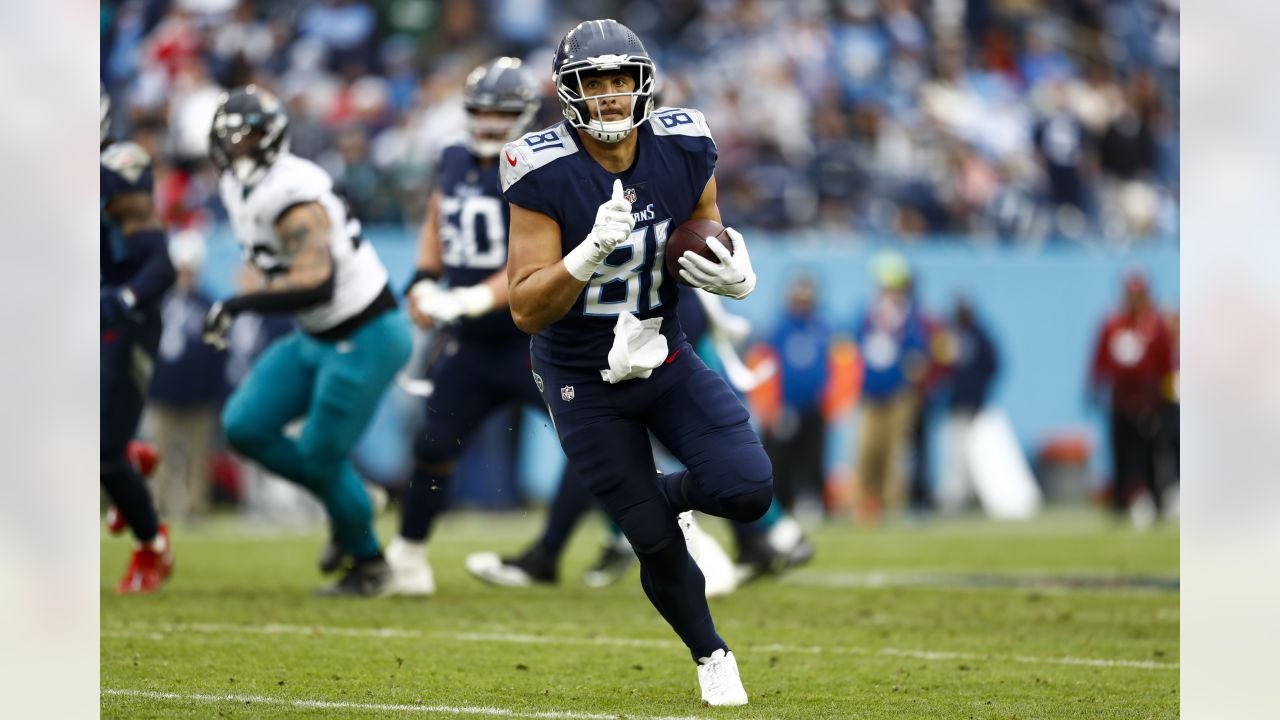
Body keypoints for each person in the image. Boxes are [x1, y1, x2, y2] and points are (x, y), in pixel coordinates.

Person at [501, 19, 768, 706]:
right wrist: (586, 254)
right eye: (595, 81)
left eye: (622, 79)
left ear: (643, 82)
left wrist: (732, 273)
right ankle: (711, 653)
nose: (612, 95)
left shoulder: (683, 144)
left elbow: (703, 229)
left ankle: (666, 497)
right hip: (580, 379)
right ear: (569, 91)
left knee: (747, 490)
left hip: (665, 353)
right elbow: (527, 310)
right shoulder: (541, 167)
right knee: (650, 537)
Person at [465, 283, 814, 594]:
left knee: (617, 443)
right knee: (620, 445)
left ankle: (584, 541)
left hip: (649, 329)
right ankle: (762, 536)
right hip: (633, 325)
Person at [204, 86, 412, 595]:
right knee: (244, 425)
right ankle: (353, 501)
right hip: (315, 332)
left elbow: (316, 279)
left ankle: (369, 563)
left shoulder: (293, 194)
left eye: (250, 136)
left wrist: (240, 303)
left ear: (272, 139)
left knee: (320, 454)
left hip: (365, 332)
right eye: (231, 139)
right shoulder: (236, 186)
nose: (240, 148)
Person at [381, 56, 574, 596]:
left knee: (595, 446)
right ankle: (410, 559)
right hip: (471, 342)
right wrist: (424, 277)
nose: (489, 124)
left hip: (534, 338)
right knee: (433, 442)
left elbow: (534, 258)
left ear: (527, 114)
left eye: (502, 112)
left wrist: (466, 298)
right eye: (480, 112)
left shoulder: (540, 165)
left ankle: (661, 541)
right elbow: (438, 218)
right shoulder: (453, 159)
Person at [101, 86, 177, 593]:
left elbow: (160, 262)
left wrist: (123, 297)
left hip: (119, 320)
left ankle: (153, 544)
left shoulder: (115, 172)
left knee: (101, 450)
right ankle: (131, 459)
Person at [147, 230, 225, 521]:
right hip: (163, 389)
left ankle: (196, 505)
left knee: (197, 455)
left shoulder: (207, 305)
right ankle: (158, 502)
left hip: (197, 393)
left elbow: (217, 352)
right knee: (160, 454)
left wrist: (213, 390)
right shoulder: (159, 303)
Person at [1088, 272, 1173, 520]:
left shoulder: (1155, 324)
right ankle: (1123, 499)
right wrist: (1095, 385)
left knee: (1151, 454)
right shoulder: (1113, 323)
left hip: (1150, 401)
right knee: (1121, 452)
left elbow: (1165, 361)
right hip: (1121, 399)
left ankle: (1155, 497)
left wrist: (1164, 396)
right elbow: (1101, 357)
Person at [852, 252, 929, 525]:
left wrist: (909, 385)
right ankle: (862, 505)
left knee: (894, 453)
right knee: (867, 450)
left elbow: (919, 353)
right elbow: (853, 346)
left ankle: (892, 505)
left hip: (898, 395)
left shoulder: (910, 317)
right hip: (870, 394)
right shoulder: (868, 313)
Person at [936, 296, 1000, 513]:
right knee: (957, 452)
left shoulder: (979, 336)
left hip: (974, 403)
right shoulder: (949, 335)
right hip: (956, 403)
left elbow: (993, 364)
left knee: (974, 452)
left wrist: (980, 390)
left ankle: (973, 493)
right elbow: (941, 366)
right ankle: (959, 494)